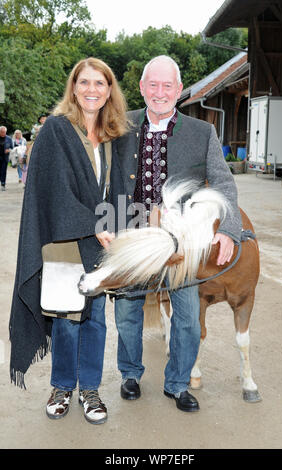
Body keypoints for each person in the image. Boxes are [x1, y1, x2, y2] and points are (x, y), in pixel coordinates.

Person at [105, 55, 242, 413]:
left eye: (168, 85)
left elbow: (224, 183)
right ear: (141, 88)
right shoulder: (119, 125)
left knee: (187, 317)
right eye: (153, 84)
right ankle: (130, 374)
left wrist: (229, 229)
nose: (160, 92)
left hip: (181, 240)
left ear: (179, 90)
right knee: (127, 313)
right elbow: (100, 175)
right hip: (132, 231)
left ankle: (178, 382)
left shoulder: (202, 132)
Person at [9, 58, 128, 424]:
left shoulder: (116, 134)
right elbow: (53, 192)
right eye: (85, 82)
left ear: (110, 90)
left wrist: (122, 230)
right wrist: (92, 223)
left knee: (95, 320)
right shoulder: (56, 131)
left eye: (100, 83)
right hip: (64, 237)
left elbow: (122, 188)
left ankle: (90, 390)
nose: (92, 90)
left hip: (103, 239)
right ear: (73, 87)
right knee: (66, 317)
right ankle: (62, 385)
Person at [0, 126, 13, 191]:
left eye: (4, 132)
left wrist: (9, 150)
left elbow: (12, 148)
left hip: (5, 157)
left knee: (3, 171)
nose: (3, 133)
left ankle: (3, 184)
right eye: (2, 132)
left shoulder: (9, 138)